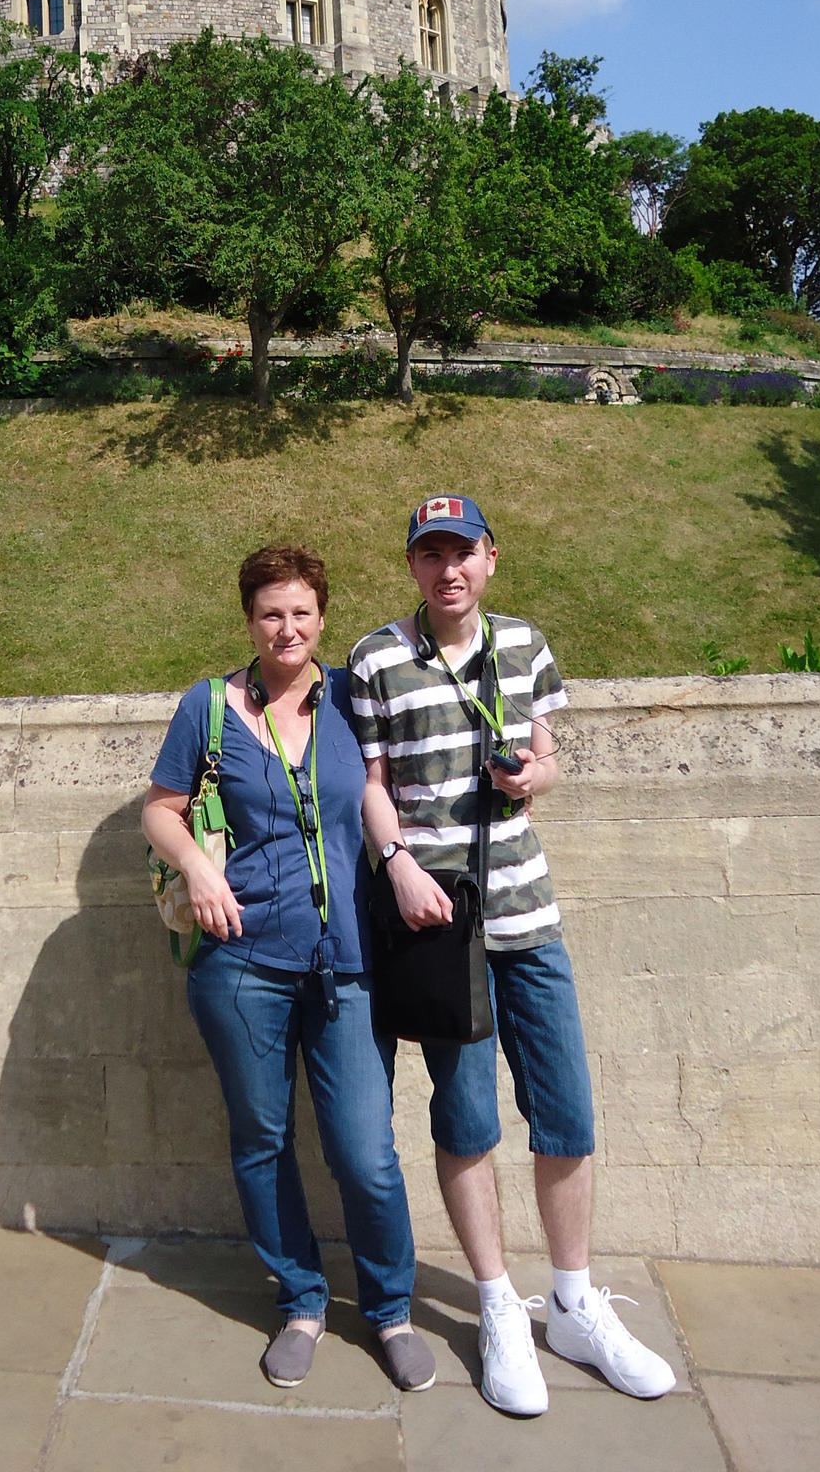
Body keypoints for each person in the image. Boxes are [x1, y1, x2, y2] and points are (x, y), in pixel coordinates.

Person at [349, 494, 676, 1417]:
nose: (447, 568)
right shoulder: (376, 658)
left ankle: (574, 1302)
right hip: (435, 921)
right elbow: (373, 785)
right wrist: (399, 862)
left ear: (491, 557)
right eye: (430, 554)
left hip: (528, 911)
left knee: (566, 1110)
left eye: (463, 551)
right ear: (412, 565)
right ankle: (498, 1304)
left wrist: (540, 774)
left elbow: (549, 751)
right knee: (465, 1116)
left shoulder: (525, 645)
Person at [142, 543, 435, 1394]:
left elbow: (399, 781)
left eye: (302, 612)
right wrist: (199, 869)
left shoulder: (352, 696)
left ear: (321, 618)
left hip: (346, 966)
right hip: (240, 967)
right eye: (272, 612)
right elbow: (159, 810)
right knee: (262, 1141)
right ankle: (302, 1300)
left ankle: (390, 1309)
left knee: (365, 1154)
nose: (287, 628)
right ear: (249, 619)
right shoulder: (208, 707)